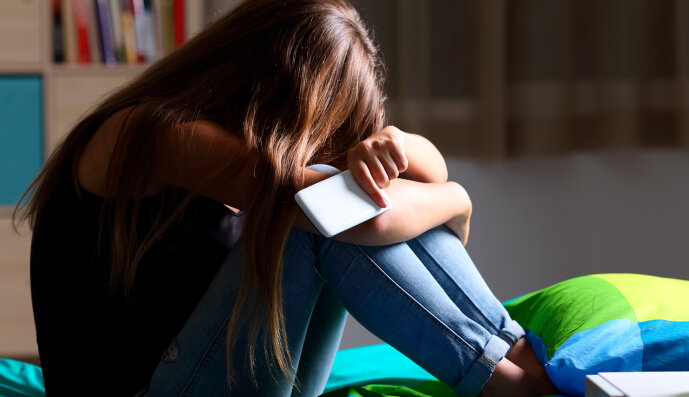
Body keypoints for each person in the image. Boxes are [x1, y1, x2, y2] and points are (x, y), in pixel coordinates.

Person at [15, 0, 557, 396]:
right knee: (324, 213)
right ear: (272, 84)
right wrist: (457, 198)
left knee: (340, 198)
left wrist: (398, 144)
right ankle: (508, 375)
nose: (322, 143)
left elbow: (414, 180)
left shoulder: (249, 148)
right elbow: (354, 222)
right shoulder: (157, 133)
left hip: (217, 377)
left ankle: (513, 354)